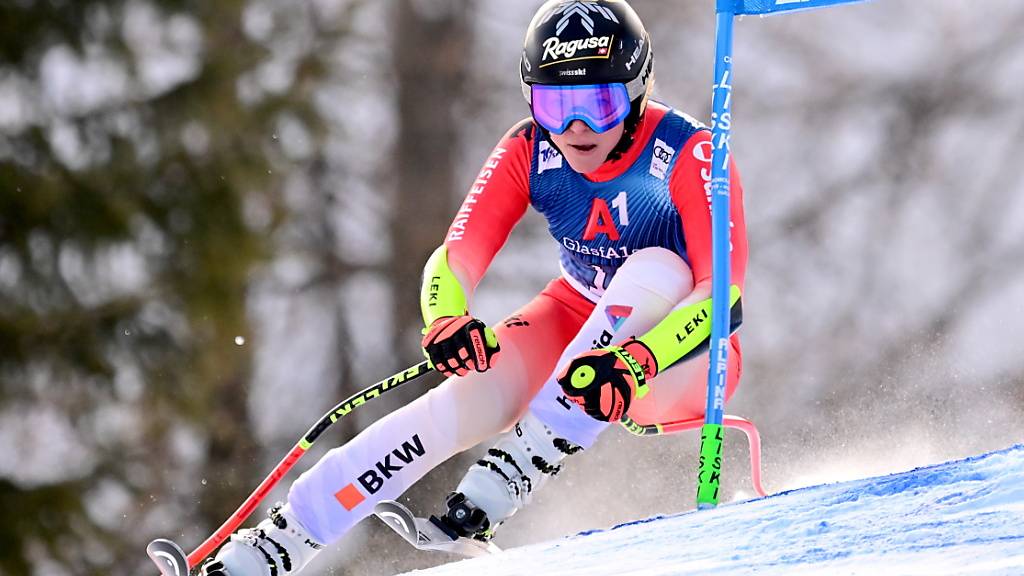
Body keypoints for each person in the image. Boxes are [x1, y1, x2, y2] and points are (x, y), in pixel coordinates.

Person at [201, 1, 747, 574]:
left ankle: (511, 472)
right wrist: (445, 317)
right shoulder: (530, 149)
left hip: (687, 355)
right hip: (575, 320)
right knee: (463, 397)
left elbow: (722, 295)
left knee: (660, 265)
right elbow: (454, 257)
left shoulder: (691, 152)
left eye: (599, 103)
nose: (576, 129)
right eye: (555, 106)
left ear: (638, 93)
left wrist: (638, 359)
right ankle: (276, 545)